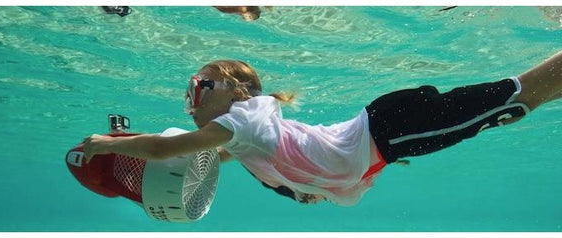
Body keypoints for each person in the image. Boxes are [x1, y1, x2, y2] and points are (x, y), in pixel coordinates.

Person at [83, 50, 562, 206]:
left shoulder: (240, 120)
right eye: (189, 94)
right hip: (383, 142)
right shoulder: (240, 138)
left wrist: (108, 144)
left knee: (517, 96)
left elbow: (171, 151)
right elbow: (201, 159)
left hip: (389, 126)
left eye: (201, 86)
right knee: (518, 99)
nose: (193, 101)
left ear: (239, 93)